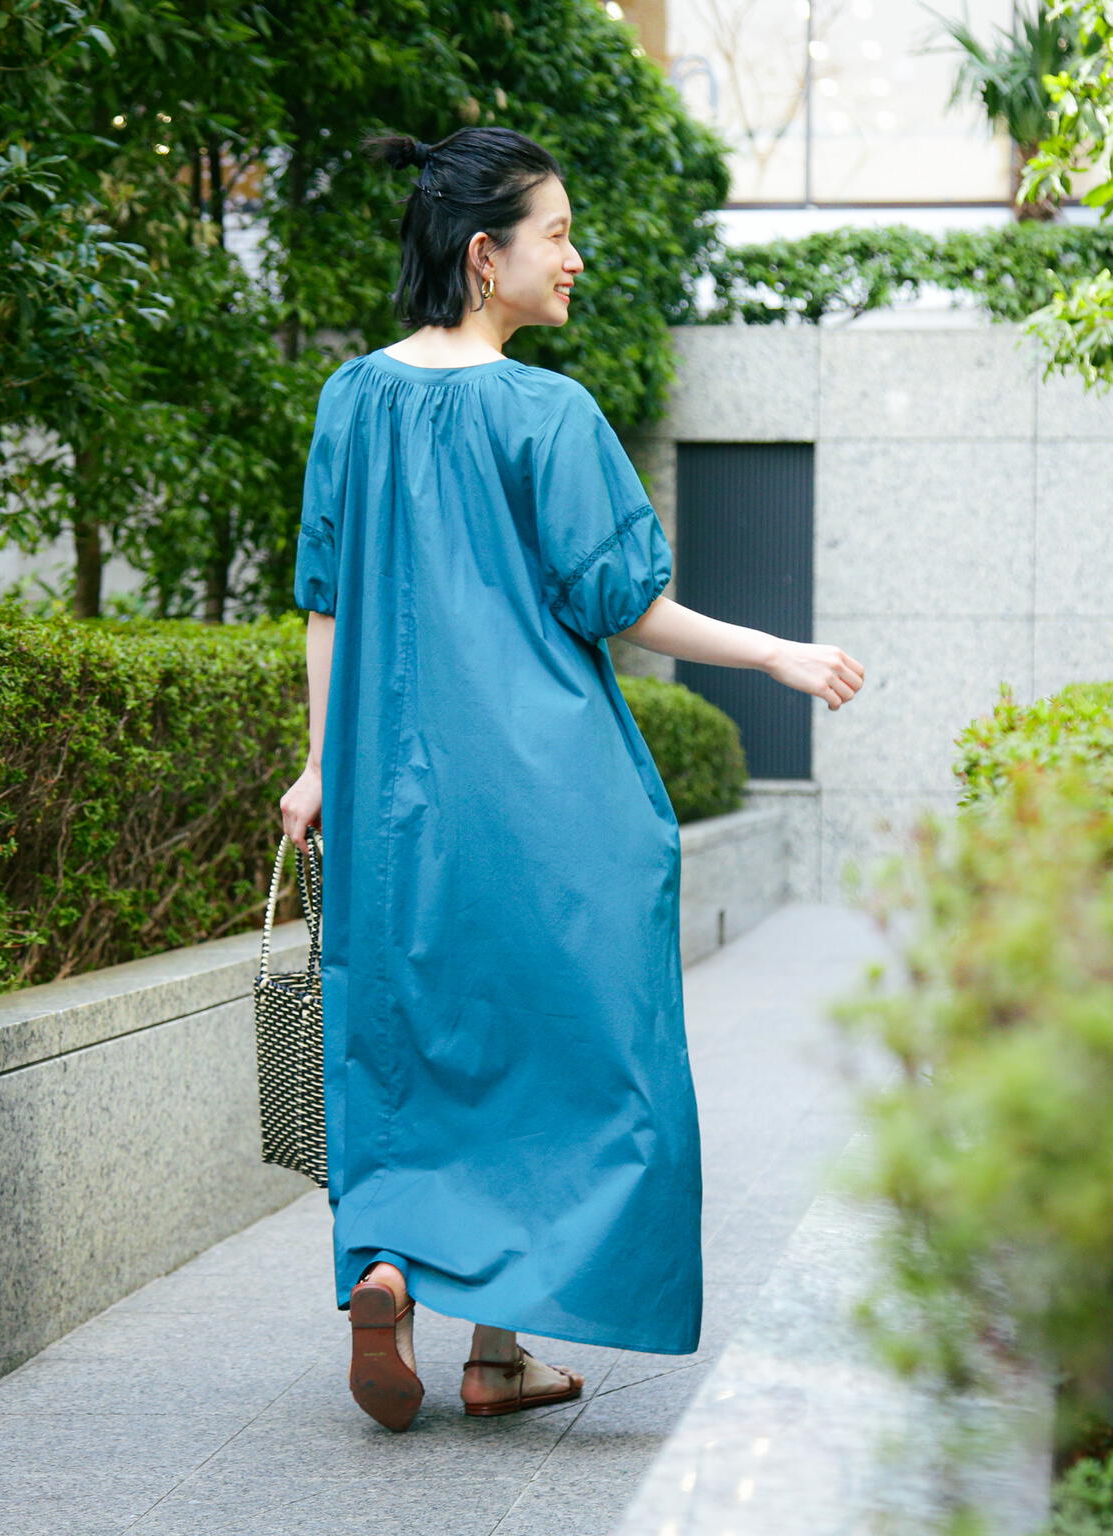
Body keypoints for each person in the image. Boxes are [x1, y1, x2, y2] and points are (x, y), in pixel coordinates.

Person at [278, 125, 865, 1433]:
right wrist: (778, 652)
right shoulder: (548, 412)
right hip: (545, 797)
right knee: (564, 1051)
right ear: (485, 257)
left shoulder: (351, 401)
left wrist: (320, 763)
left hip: (390, 804)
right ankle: (496, 1347)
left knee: (408, 1033)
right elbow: (624, 602)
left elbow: (326, 600)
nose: (577, 257)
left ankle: (401, 1279)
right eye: (558, 234)